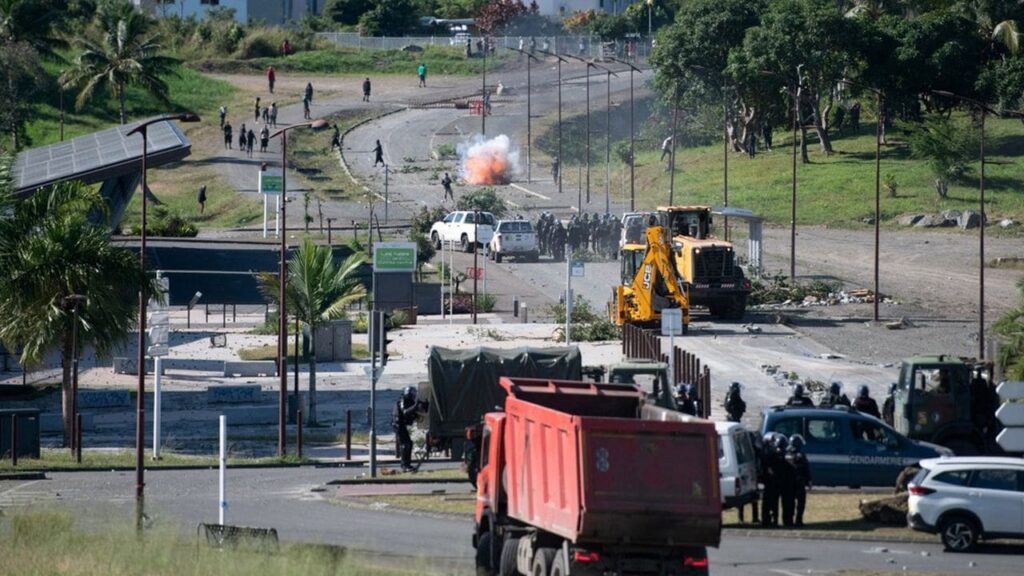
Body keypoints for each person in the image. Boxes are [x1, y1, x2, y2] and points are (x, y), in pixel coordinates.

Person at [392, 386, 421, 472]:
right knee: (405, 445)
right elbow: (405, 411)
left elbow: (412, 412)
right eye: (412, 394)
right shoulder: (403, 400)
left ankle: (407, 464)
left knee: (409, 443)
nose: (414, 396)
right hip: (398, 425)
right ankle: (405, 466)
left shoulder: (410, 401)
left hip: (402, 425)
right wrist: (416, 406)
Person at [786, 434, 811, 527]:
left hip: (789, 483)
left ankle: (789, 521)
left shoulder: (786, 455)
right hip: (799, 483)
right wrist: (809, 481)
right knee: (800, 503)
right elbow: (806, 469)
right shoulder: (801, 456)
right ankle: (798, 521)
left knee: (790, 502)